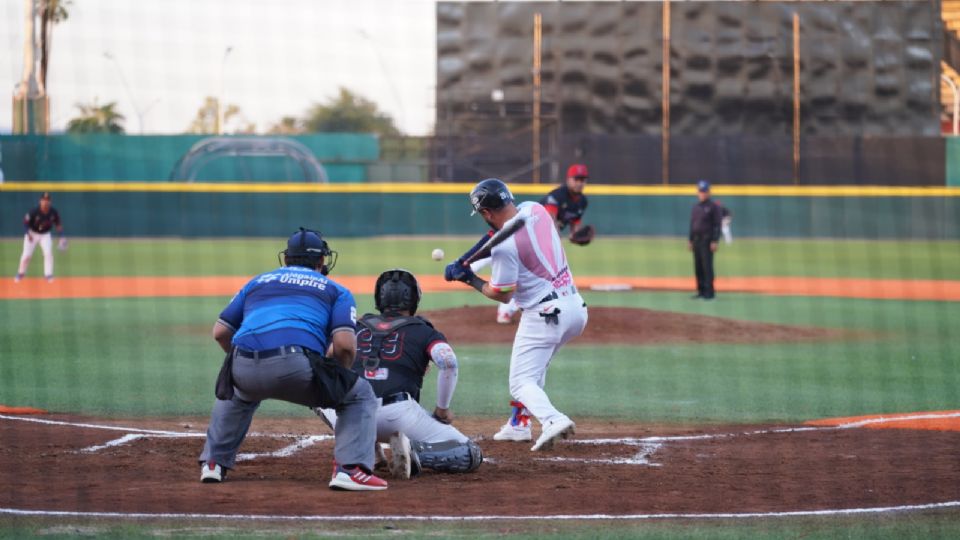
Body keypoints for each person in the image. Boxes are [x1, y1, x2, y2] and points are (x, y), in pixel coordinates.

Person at [198, 227, 388, 491]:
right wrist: (336, 381)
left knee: (238, 391)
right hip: (294, 366)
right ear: (322, 261)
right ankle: (350, 469)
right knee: (359, 395)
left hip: (242, 362)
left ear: (286, 259)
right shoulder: (336, 290)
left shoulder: (257, 282)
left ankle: (213, 463)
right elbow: (345, 346)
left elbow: (220, 333)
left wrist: (247, 364)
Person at [444, 178, 588, 451]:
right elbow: (497, 236)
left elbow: (503, 294)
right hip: (575, 308)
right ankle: (519, 425)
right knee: (534, 370)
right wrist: (466, 261)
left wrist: (470, 279)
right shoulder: (536, 209)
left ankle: (552, 419)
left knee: (521, 381)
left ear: (486, 213)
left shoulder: (504, 248)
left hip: (544, 315)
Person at [317, 269, 483, 479]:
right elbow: (448, 362)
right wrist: (442, 410)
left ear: (379, 297)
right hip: (398, 417)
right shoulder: (424, 330)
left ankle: (366, 447)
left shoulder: (356, 327)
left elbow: (327, 358)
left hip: (350, 413)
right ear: (415, 299)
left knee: (322, 394)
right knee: (470, 452)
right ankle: (417, 455)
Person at [493, 163, 592, 324]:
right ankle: (505, 311)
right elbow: (551, 222)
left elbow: (575, 228)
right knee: (526, 275)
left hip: (545, 242)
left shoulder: (582, 202)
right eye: (577, 179)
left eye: (583, 179)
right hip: (525, 236)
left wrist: (576, 237)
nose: (580, 182)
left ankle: (551, 303)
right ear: (569, 180)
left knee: (541, 277)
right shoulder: (557, 196)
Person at [15, 192, 66, 283]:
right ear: (40, 201)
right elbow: (25, 222)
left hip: (45, 235)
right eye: (44, 200)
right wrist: (28, 234)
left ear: (50, 202)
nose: (45, 202)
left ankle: (48, 275)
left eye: (47, 200)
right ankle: (20, 273)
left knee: (48, 254)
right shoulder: (34, 211)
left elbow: (58, 224)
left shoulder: (53, 212)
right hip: (32, 234)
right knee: (26, 255)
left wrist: (62, 236)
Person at [689, 180, 723, 300]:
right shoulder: (696, 207)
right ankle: (701, 291)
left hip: (707, 240)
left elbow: (717, 225)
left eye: (704, 191)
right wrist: (690, 240)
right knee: (698, 267)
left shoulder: (713, 207)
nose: (702, 193)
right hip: (697, 240)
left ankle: (709, 293)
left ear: (709, 192)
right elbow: (692, 225)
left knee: (707, 267)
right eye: (700, 191)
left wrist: (715, 240)